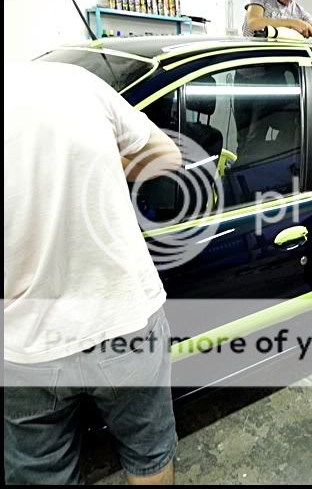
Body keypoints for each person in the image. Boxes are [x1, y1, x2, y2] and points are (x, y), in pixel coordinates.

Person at [4, 61, 182, 484]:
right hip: (125, 318)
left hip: (25, 344)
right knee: (150, 456)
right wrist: (102, 165)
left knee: (41, 474)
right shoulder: (73, 80)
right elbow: (167, 156)